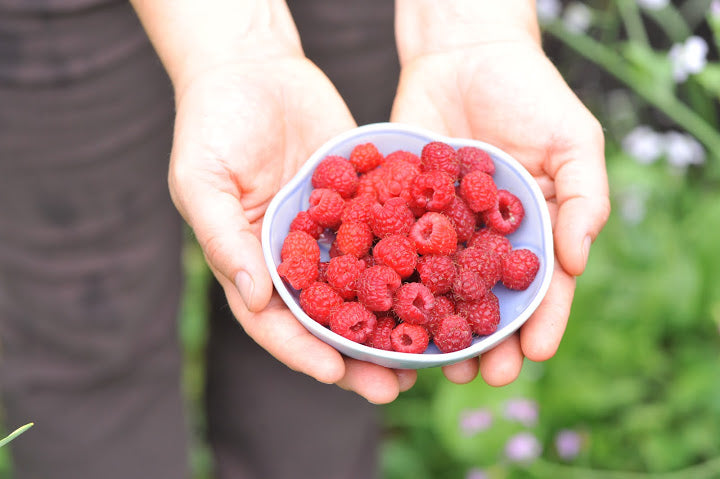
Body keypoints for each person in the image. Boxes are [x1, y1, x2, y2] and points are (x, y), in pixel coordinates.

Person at [0, 0, 610, 478]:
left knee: (317, 368)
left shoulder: (412, 231)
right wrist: (231, 48)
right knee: (87, 335)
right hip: (56, 25)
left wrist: (473, 28)